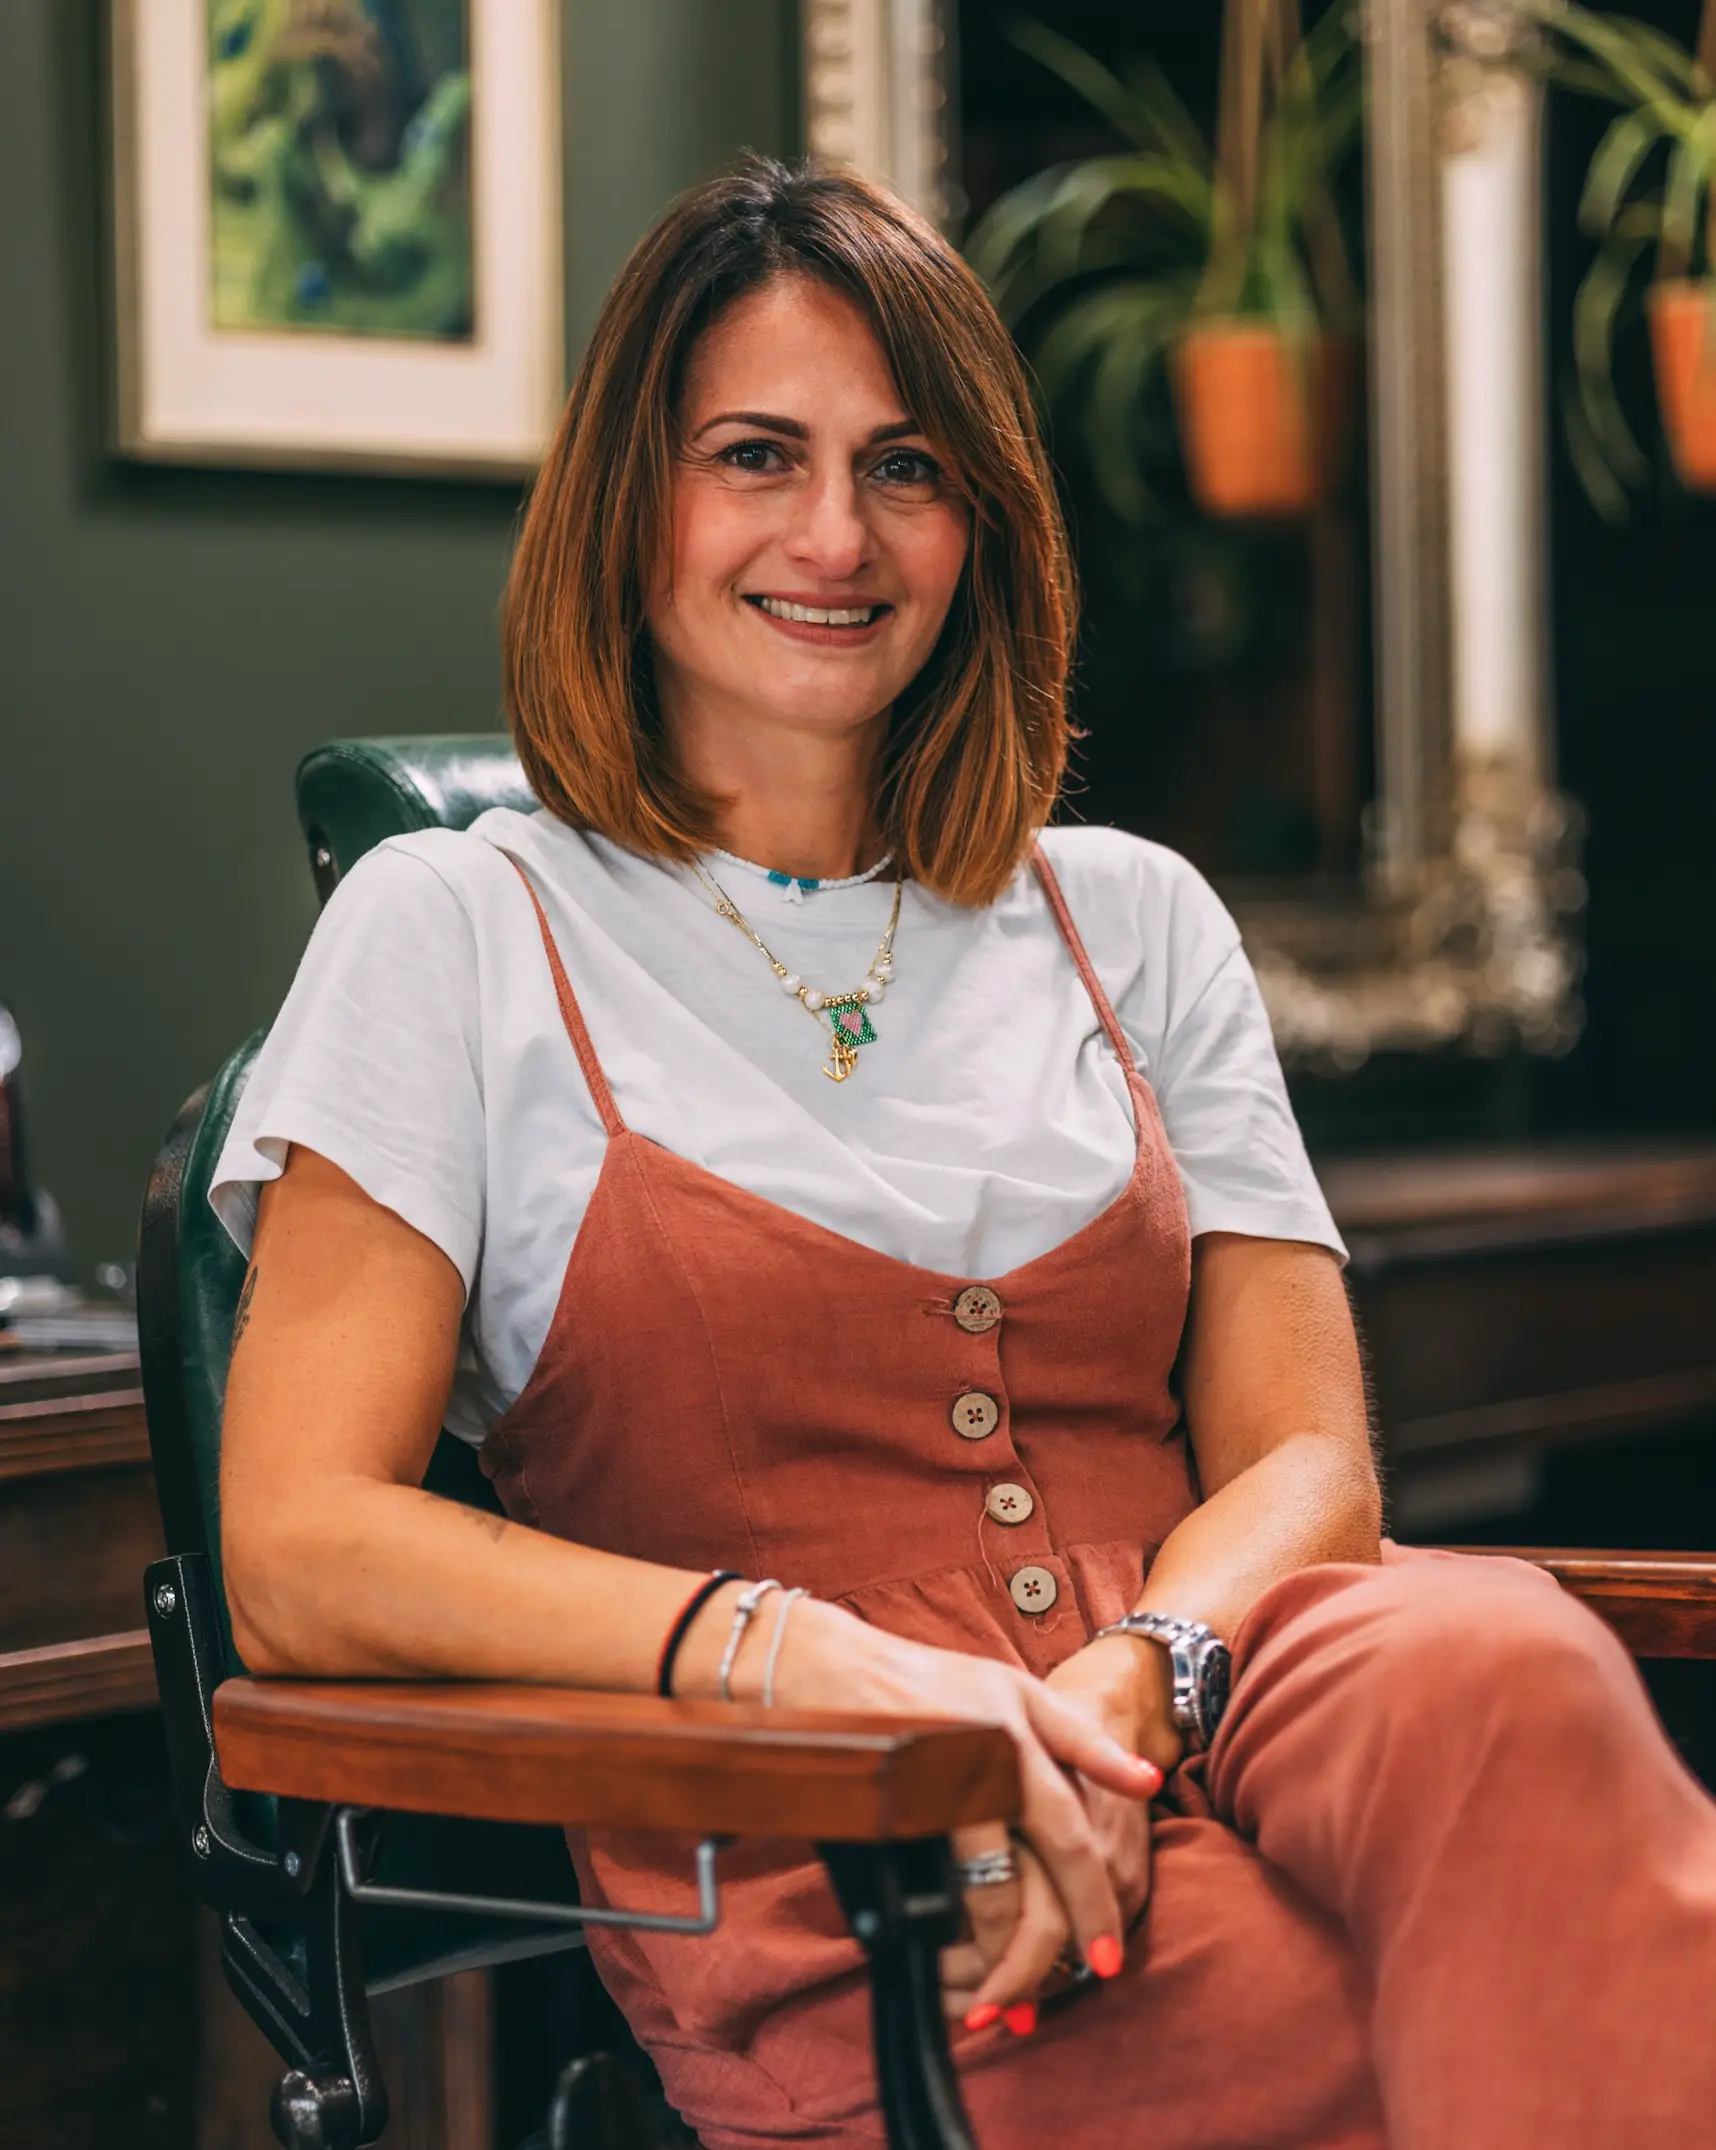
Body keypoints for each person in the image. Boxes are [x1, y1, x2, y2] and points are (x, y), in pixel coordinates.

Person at [214, 157, 1716, 2150]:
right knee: (1501, 2018)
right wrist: (808, 1660)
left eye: (905, 467)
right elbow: (299, 1548)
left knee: (1509, 1655)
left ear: (979, 523)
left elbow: (1306, 1467)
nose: (834, 533)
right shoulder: (456, 930)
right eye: (757, 455)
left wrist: (1133, 1684)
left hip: (1228, 1697)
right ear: (626, 506)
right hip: (848, 1851)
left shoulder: (1134, 913)